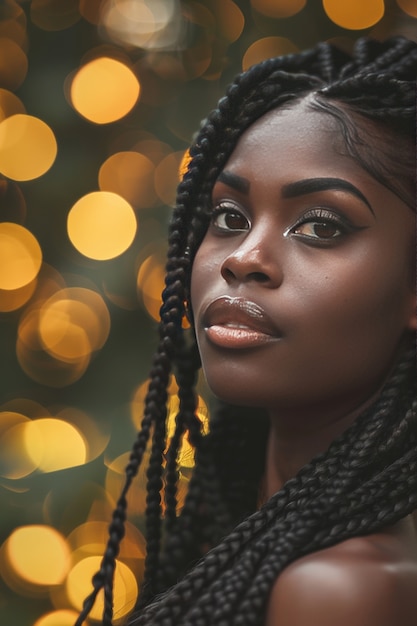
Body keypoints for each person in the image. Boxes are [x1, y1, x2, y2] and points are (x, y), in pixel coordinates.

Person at [76, 36, 417, 626]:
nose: (243, 258)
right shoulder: (249, 530)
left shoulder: (343, 590)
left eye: (320, 226)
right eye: (229, 218)